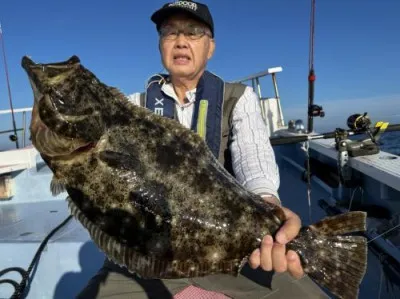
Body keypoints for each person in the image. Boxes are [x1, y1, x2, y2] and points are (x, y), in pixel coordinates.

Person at [77, 1, 328, 298]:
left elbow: (253, 161)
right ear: (160, 45)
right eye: (170, 32)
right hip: (149, 251)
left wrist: (267, 204)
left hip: (228, 252)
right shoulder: (133, 106)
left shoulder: (239, 98)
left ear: (210, 47)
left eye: (193, 32)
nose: (181, 41)